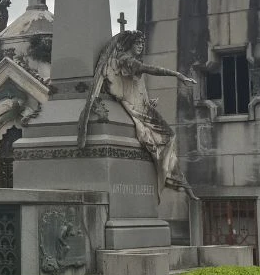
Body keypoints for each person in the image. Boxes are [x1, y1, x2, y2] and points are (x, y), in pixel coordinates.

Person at [77, 30, 198, 201]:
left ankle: (174, 177)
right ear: (130, 45)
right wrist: (177, 75)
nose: (141, 46)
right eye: (137, 44)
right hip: (138, 108)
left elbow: (134, 87)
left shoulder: (127, 61)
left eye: (142, 44)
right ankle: (173, 177)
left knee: (167, 138)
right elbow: (149, 69)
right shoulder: (127, 61)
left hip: (143, 106)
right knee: (168, 136)